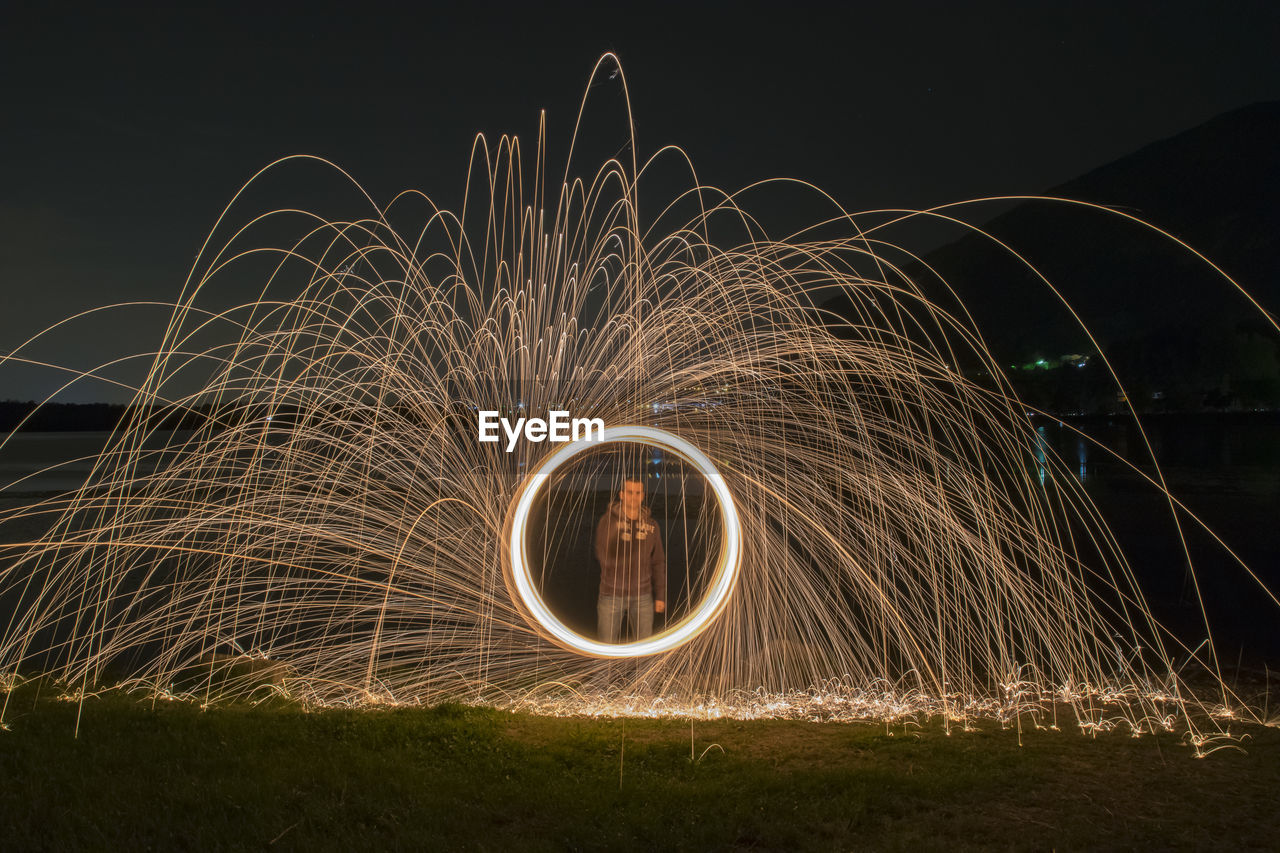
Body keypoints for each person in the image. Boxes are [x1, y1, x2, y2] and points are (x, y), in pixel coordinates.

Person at [594, 475, 666, 642]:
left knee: (644, 652)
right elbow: (602, 553)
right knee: (606, 652)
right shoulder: (608, 522)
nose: (633, 497)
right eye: (630, 492)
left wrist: (660, 595)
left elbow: (658, 561)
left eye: (637, 493)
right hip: (611, 595)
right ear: (622, 494)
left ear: (642, 495)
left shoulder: (652, 526)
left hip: (643, 597)